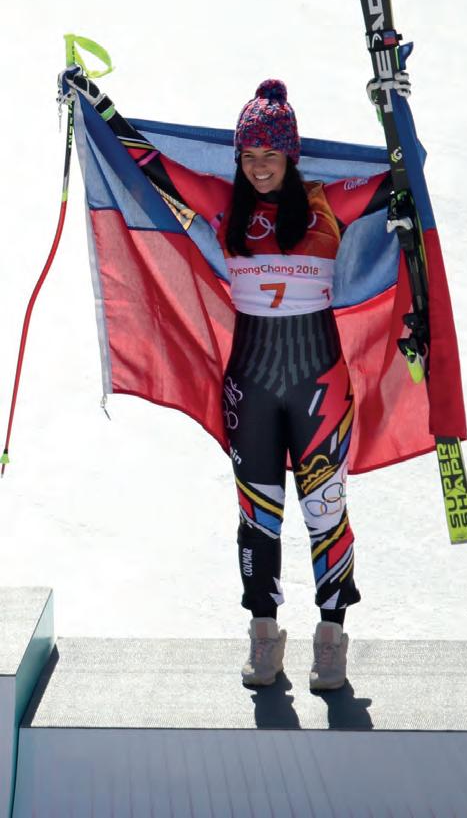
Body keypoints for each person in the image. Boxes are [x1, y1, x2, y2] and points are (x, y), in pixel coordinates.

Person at [61, 68, 410, 691]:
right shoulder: (224, 202)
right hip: (250, 385)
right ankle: (263, 633)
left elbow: (405, 174)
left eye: (269, 154)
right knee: (257, 514)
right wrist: (99, 106)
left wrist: (394, 106)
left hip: (320, 384)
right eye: (248, 155)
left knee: (325, 508)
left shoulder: (328, 204)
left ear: (290, 155)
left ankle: (331, 636)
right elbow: (152, 165)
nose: (259, 167)